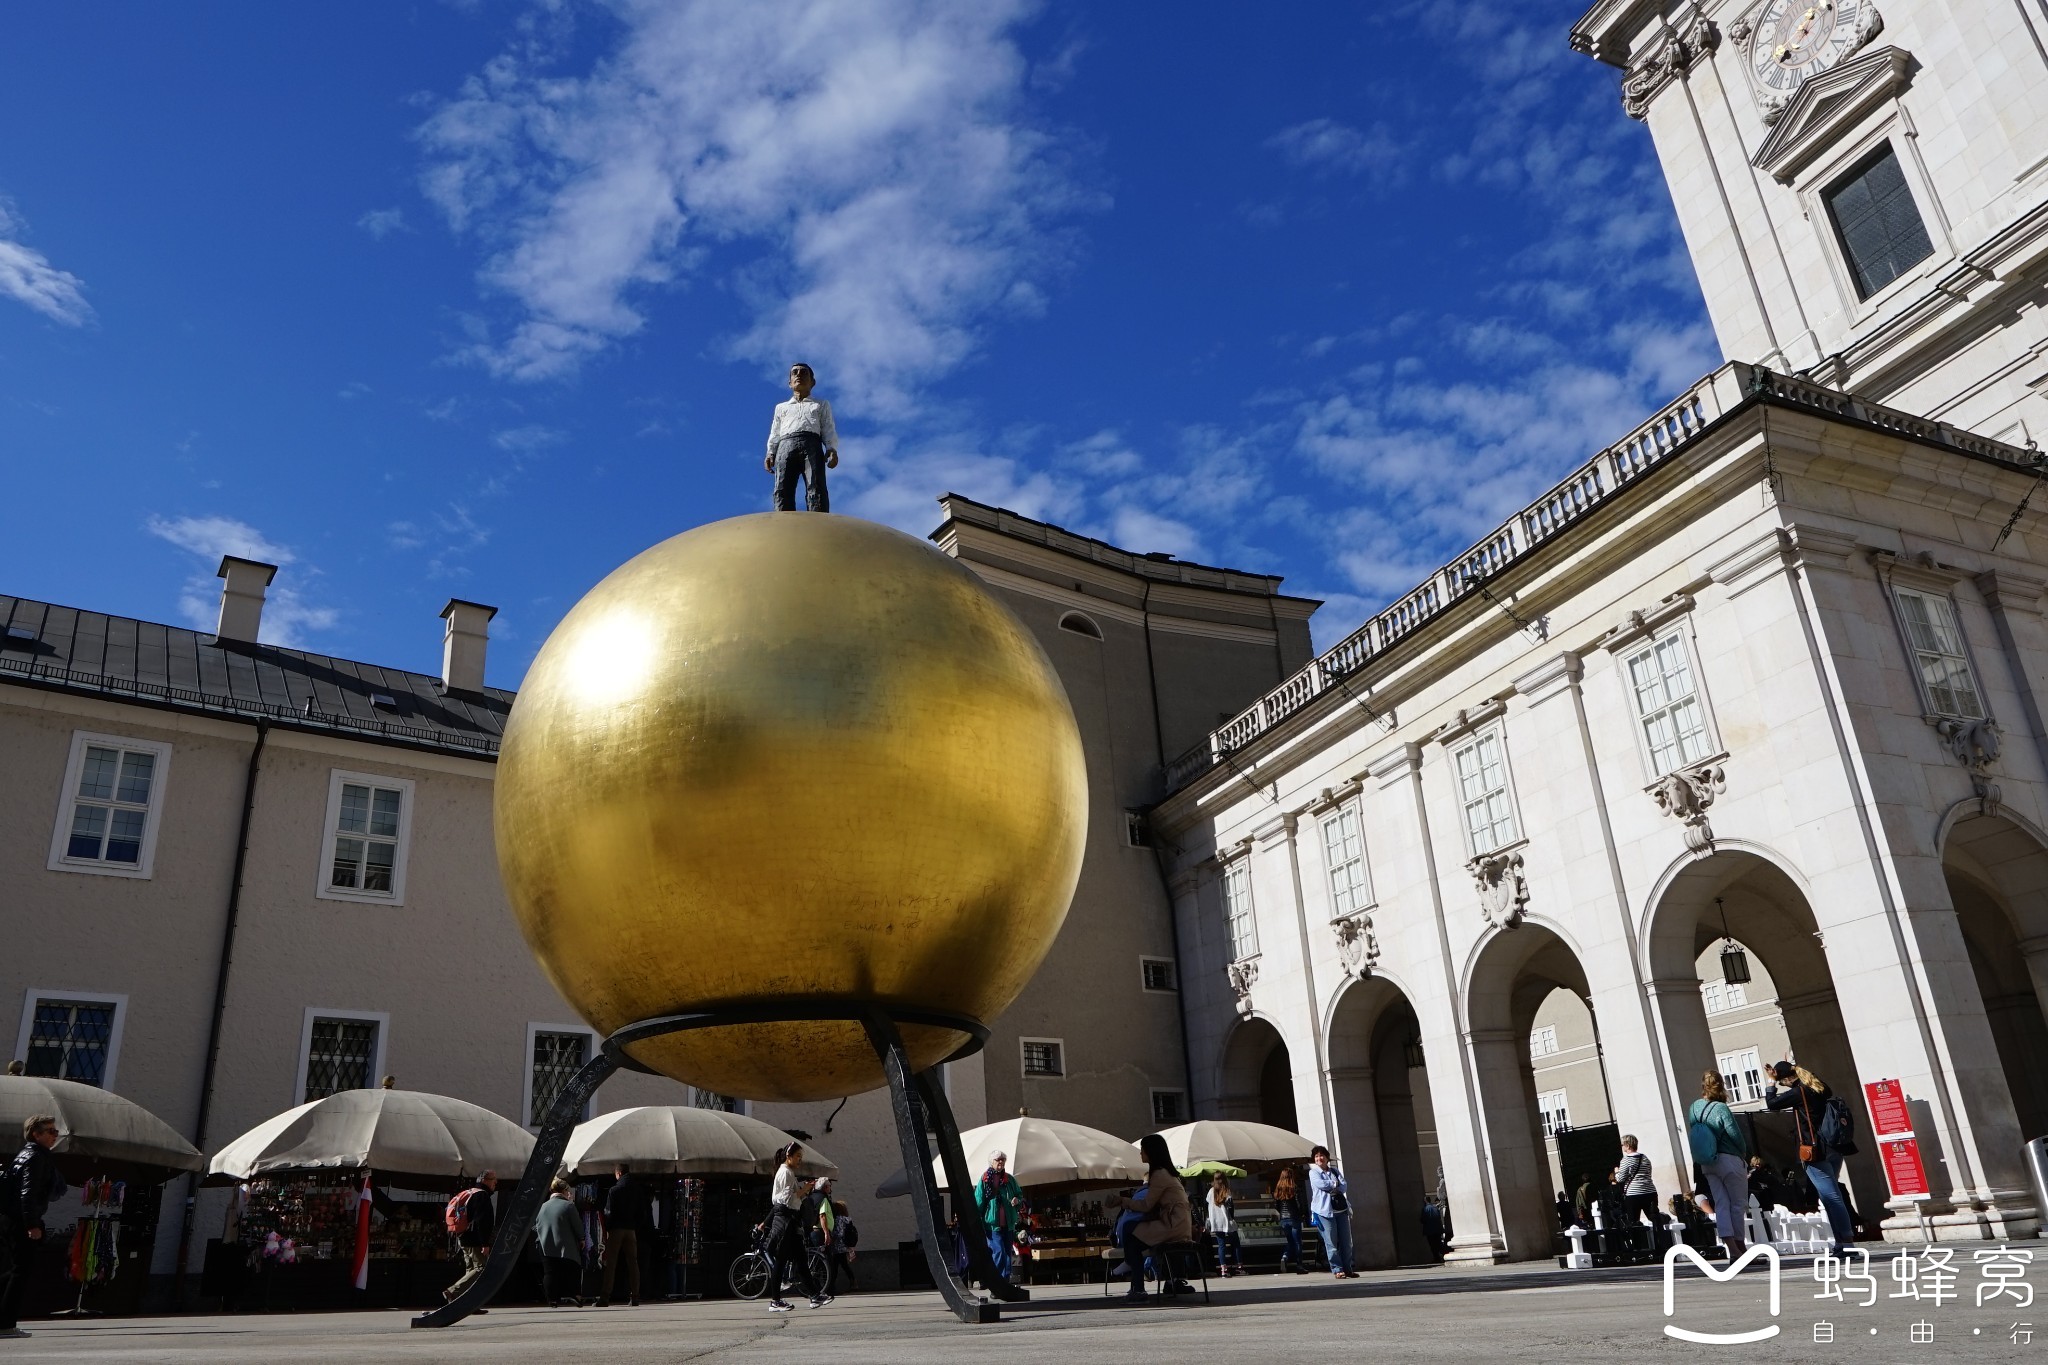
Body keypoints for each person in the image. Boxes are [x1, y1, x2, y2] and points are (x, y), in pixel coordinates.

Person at [1764, 1061, 1858, 1256]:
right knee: (1831, 1196)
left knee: (1831, 1198)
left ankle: (1847, 1242)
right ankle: (1841, 1243)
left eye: (1782, 1081)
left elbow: (1772, 1104)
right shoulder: (1819, 1088)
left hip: (1815, 1151)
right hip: (1834, 1148)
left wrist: (1771, 1084)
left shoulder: (1800, 1092)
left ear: (1787, 1079)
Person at [1105, 1134, 1194, 1301]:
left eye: (1142, 1150)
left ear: (1150, 1151)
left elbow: (1146, 1205)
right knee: (1132, 1230)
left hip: (1172, 1225)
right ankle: (1132, 1268)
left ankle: (1136, 1284)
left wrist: (1122, 1201)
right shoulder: (1167, 1172)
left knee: (1130, 1232)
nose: (1140, 1153)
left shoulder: (1159, 1174)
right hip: (1176, 1222)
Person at [0, 1115, 65, 1340]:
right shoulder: (37, 1156)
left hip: (9, 1219)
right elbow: (28, 1194)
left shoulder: (24, 1154)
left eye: (55, 1131)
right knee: (20, 1272)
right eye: (50, 1131)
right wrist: (32, 1224)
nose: (55, 1135)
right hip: (21, 1221)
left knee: (12, 1270)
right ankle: (5, 1325)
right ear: (35, 1134)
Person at [1687, 1071, 1751, 1259]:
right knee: (1738, 1205)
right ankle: (1741, 1249)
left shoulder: (1694, 1108)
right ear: (1720, 1085)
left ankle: (1732, 1249)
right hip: (1728, 1159)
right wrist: (1743, 1153)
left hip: (1707, 1162)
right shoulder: (1721, 1108)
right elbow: (1735, 1135)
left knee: (1721, 1204)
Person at [763, 362, 838, 512]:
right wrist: (771, 452)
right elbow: (775, 431)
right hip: (785, 446)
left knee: (815, 486)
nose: (798, 375)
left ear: (812, 382)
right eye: (795, 372)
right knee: (782, 488)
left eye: (803, 373)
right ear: (789, 382)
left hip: (811, 444)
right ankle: (783, 522)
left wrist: (831, 448)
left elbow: (828, 427)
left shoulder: (820, 404)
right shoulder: (781, 407)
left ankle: (818, 522)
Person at [762, 1143, 827, 1312]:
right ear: (788, 1156)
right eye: (798, 1156)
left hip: (791, 1219)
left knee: (801, 1258)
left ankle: (814, 1295)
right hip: (785, 1219)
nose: (800, 1160)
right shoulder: (784, 1173)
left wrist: (803, 1191)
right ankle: (775, 1300)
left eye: (801, 1157)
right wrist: (804, 1190)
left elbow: (791, 1198)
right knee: (781, 1260)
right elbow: (785, 1200)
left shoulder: (789, 1173)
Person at [442, 1169, 499, 1309]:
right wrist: (485, 1243)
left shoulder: (469, 1193)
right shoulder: (482, 1196)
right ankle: (453, 1291)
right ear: (484, 1180)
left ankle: (466, 1304)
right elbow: (483, 1222)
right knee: (481, 1268)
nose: (495, 1183)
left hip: (463, 1236)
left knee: (471, 1271)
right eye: (493, 1179)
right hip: (475, 1239)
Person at [599, 1162, 653, 1307]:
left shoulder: (614, 1190)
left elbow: (608, 1213)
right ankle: (635, 1296)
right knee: (633, 1263)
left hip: (616, 1229)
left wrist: (609, 1229)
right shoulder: (637, 1190)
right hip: (631, 1230)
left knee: (611, 1263)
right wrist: (635, 1227)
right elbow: (643, 1213)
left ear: (618, 1173)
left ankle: (605, 1297)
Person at [974, 1151, 1025, 1283]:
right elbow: (978, 1200)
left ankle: (1005, 1281)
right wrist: (976, 1220)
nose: (1001, 1162)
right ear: (992, 1162)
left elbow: (1020, 1196)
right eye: (998, 1159)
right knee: (999, 1252)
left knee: (1007, 1253)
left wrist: (1017, 1201)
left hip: (1008, 1224)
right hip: (992, 1225)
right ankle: (997, 1282)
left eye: (1003, 1159)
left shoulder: (1010, 1179)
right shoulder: (985, 1179)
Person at [1307, 1145, 1357, 1279]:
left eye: (1322, 1155)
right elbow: (1320, 1184)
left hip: (1340, 1210)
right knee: (1331, 1242)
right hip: (1324, 1211)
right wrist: (1335, 1185)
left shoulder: (1334, 1171)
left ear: (1327, 1157)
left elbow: (1344, 1186)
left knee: (1346, 1242)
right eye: (1316, 1156)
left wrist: (1333, 1184)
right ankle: (1337, 1269)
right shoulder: (1314, 1172)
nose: (1319, 1158)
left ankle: (1348, 1268)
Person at [536, 1179, 586, 1307]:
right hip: (565, 1245)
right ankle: (575, 1295)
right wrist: (581, 1238)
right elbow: (577, 1225)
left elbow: (536, 1225)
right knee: (573, 1269)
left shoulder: (542, 1206)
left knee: (550, 1272)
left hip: (545, 1244)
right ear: (565, 1191)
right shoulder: (568, 1206)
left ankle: (552, 1298)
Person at [1615, 1135, 1659, 1237]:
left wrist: (1616, 1172)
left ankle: (1639, 1245)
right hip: (1650, 1191)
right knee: (1654, 1219)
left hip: (1633, 1194)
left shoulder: (1626, 1160)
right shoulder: (1645, 1158)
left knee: (1633, 1222)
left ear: (1627, 1145)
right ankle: (1660, 1241)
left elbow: (1620, 1179)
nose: (1622, 1147)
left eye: (1622, 1145)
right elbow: (1648, 1174)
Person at [1270, 1166, 1308, 1273]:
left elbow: (1276, 1205)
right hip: (1294, 1218)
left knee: (1290, 1242)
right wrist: (1303, 1214)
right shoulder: (1294, 1188)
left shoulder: (1278, 1190)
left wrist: (1282, 1214)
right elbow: (1299, 1204)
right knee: (1297, 1242)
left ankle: (1285, 1257)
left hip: (1283, 1219)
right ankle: (1299, 1265)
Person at [1205, 1173, 1241, 1276]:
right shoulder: (1226, 1191)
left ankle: (1223, 1269)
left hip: (1216, 1221)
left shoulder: (1210, 1191)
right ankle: (1239, 1266)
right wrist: (1232, 1219)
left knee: (1221, 1245)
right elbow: (1231, 1207)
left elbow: (1207, 1203)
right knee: (1236, 1243)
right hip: (1227, 1221)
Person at [824, 1198, 857, 1293]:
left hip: (837, 1246)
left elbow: (839, 1233)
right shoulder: (847, 1219)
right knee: (843, 1265)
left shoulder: (838, 1219)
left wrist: (831, 1238)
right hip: (844, 1245)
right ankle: (853, 1282)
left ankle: (832, 1286)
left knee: (835, 1267)